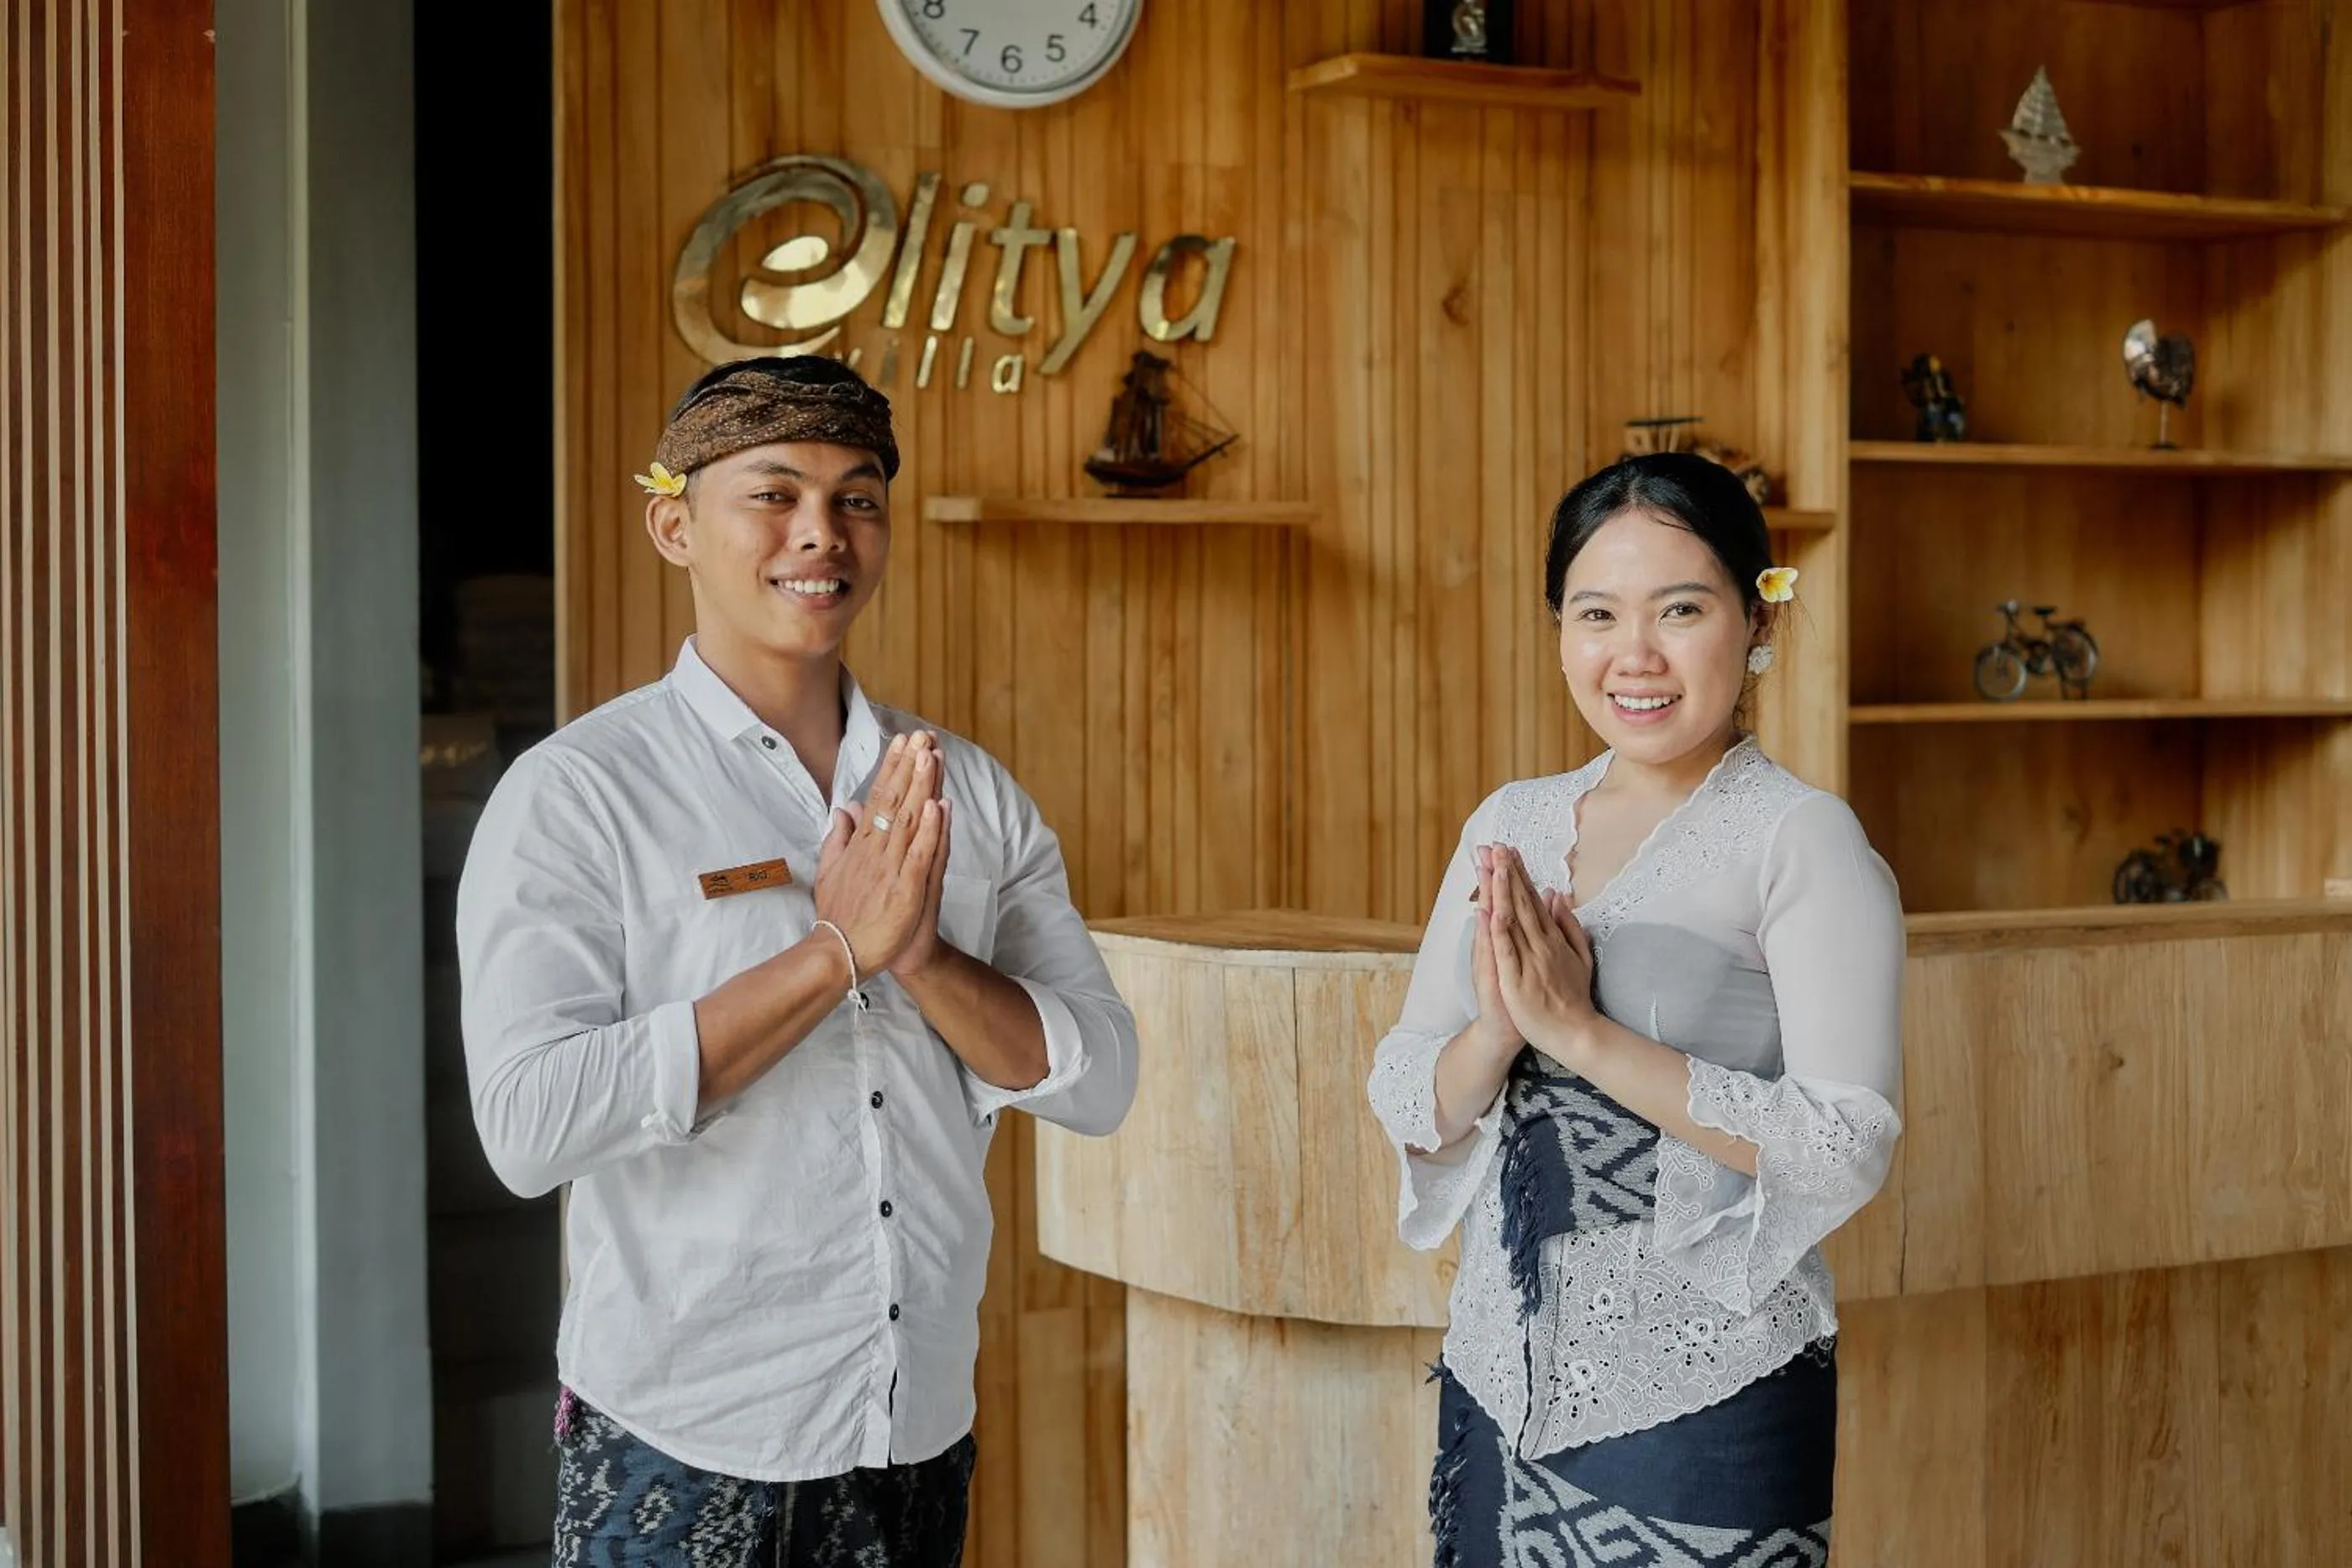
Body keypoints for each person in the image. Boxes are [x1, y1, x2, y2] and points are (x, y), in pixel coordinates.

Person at [456, 354, 1138, 1566]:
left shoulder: (963, 793)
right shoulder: (577, 795)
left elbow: (1097, 1078)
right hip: (681, 1429)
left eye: (856, 498)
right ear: (677, 524)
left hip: (912, 1426)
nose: (819, 534)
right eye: (773, 494)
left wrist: (920, 955)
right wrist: (836, 955)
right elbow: (529, 1124)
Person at [1365, 452, 1904, 1564]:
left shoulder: (1799, 836)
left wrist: (1581, 1034)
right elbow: (1409, 1086)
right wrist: (1504, 1028)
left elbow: (1844, 1142)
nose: (1635, 655)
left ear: (1757, 620)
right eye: (1597, 613)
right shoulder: (1511, 820)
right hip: (1494, 1389)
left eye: (1682, 609)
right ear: (1559, 626)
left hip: (1711, 1400)